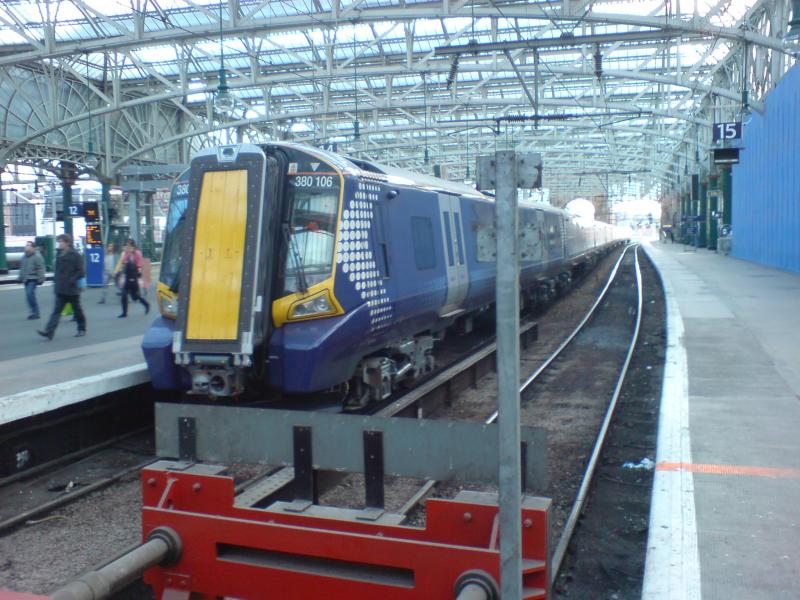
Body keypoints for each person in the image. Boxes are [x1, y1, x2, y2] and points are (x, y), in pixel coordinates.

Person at [37, 233, 86, 340]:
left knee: (77, 310)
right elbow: (58, 271)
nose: (59, 243)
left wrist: (72, 280)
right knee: (56, 312)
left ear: (67, 243)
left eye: (61, 242)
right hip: (61, 288)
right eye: (58, 241)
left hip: (72, 289)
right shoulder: (59, 255)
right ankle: (49, 332)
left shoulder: (75, 255)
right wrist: (55, 281)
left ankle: (82, 328)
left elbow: (81, 272)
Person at [114, 238, 150, 318]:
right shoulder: (127, 253)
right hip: (127, 276)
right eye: (127, 245)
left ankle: (146, 304)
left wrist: (139, 273)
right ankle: (124, 313)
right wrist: (126, 254)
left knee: (135, 297)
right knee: (124, 295)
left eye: (129, 245)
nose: (127, 247)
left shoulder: (137, 253)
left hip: (134, 276)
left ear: (133, 246)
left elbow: (140, 264)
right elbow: (123, 261)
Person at [18, 241, 45, 319]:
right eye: (26, 245)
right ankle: (33, 312)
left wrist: (41, 278)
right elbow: (22, 268)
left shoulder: (37, 256)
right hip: (26, 279)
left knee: (30, 294)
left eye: (28, 245)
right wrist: (20, 277)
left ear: (33, 247)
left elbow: (40, 268)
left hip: (33, 279)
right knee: (29, 296)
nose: (26, 247)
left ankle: (35, 312)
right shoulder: (24, 256)